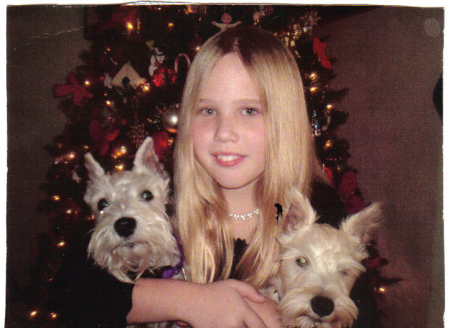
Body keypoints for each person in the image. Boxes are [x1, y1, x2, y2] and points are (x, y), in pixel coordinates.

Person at [49, 26, 381, 328]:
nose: (224, 133)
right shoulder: (161, 203)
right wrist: (193, 301)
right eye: (208, 111)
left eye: (249, 110)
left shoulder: (321, 215)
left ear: (285, 122)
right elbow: (71, 289)